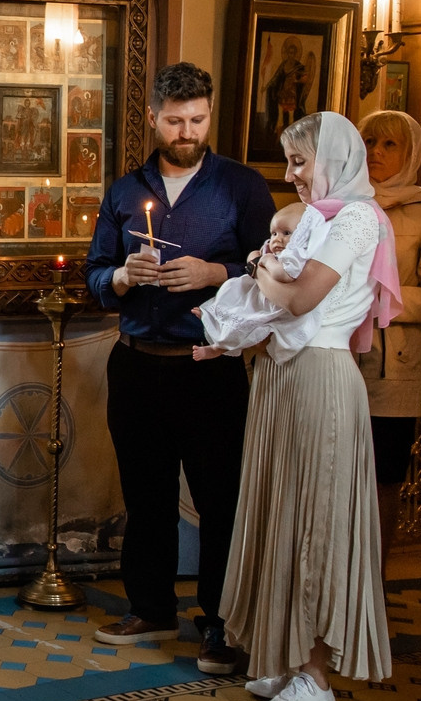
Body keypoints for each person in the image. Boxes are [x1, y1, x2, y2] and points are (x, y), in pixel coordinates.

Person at [84, 63, 277, 670]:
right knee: (146, 495)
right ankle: (151, 605)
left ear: (209, 115)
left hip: (210, 368)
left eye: (197, 120)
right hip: (137, 364)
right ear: (153, 118)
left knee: (221, 499)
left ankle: (222, 621)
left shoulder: (241, 188)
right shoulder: (124, 191)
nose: (187, 131)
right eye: (175, 121)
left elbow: (273, 271)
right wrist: (119, 275)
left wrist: (215, 273)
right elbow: (95, 275)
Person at [216, 112, 400, 701]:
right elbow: (276, 293)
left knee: (318, 516)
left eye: (300, 162)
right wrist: (265, 267)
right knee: (280, 510)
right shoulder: (315, 221)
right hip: (279, 373)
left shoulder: (355, 219)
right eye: (288, 161)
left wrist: (259, 266)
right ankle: (287, 655)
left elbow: (296, 298)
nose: (290, 175)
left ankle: (317, 674)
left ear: (336, 161)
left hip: (321, 376)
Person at [356, 108, 421, 568]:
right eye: (369, 142)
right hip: (338, 358)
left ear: (411, 154)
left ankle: (371, 584)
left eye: (388, 144)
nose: (375, 152)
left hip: (391, 365)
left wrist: (381, 299)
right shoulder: (340, 201)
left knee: (382, 478)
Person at [193, 200, 325, 358]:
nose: (277, 239)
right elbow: (254, 259)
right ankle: (215, 316)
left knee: (248, 323)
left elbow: (283, 274)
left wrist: (265, 261)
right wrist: (256, 257)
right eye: (274, 233)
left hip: (273, 303)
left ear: (304, 235)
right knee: (232, 289)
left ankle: (219, 347)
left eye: (286, 233)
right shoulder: (272, 248)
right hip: (258, 293)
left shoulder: (297, 256)